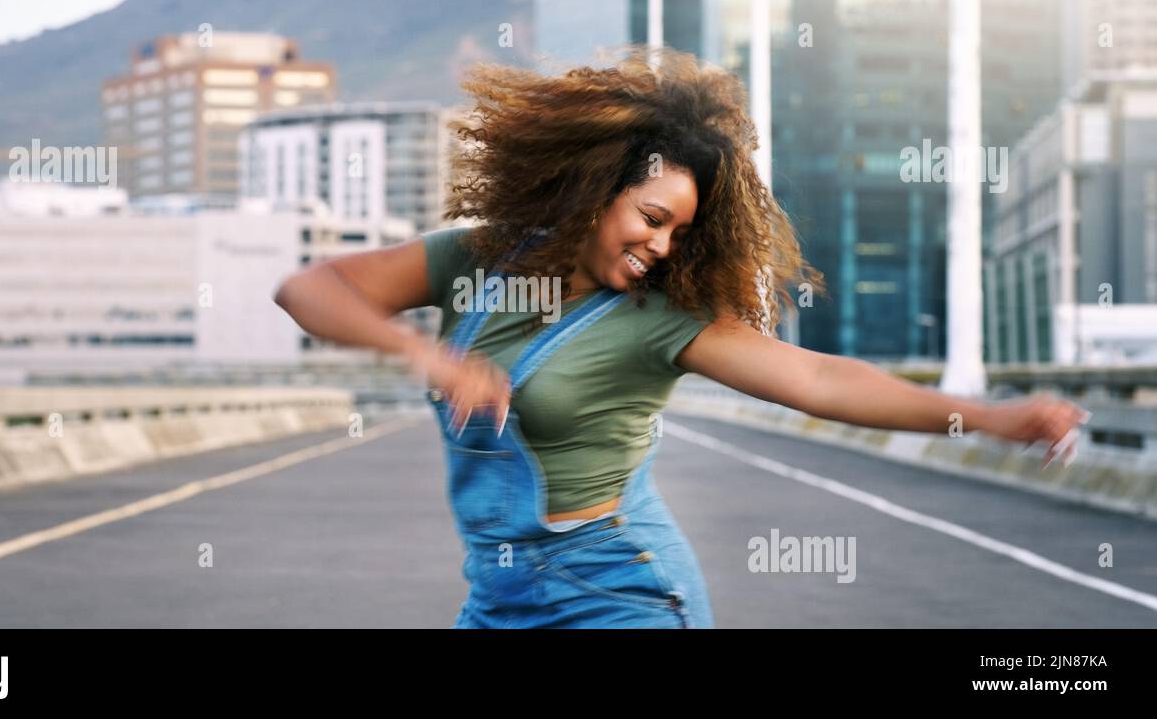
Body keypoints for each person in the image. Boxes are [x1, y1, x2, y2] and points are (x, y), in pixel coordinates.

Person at [272, 46, 1089, 628]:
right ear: (594, 189)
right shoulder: (476, 259)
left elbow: (820, 381)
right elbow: (309, 288)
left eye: (678, 232)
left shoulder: (664, 316)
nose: (662, 246)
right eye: (652, 217)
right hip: (499, 595)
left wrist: (989, 418)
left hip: (615, 593)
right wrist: (429, 355)